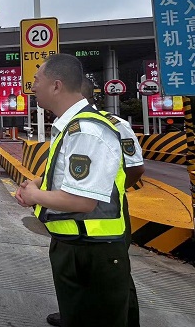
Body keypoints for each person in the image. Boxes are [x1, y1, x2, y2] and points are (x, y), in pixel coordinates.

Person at [16, 54, 132, 327]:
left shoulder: (86, 131)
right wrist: (38, 183)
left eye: (37, 80)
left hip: (92, 251)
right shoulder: (71, 126)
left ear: (56, 86)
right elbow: (66, 176)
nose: (32, 87)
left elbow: (82, 200)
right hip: (76, 244)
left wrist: (34, 196)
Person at [45, 77, 144, 327]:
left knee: (113, 282)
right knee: (79, 282)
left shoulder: (112, 125)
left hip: (105, 219)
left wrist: (106, 191)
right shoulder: (66, 125)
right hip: (71, 220)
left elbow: (135, 169)